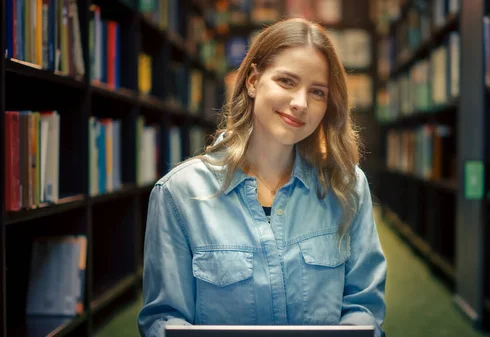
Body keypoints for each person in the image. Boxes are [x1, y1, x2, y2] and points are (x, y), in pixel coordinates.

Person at [137, 17, 387, 337]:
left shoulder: (348, 187)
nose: (300, 103)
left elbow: (363, 308)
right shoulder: (179, 193)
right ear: (253, 81)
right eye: (286, 81)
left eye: (318, 92)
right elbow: (164, 320)